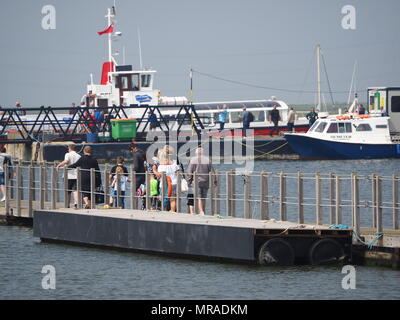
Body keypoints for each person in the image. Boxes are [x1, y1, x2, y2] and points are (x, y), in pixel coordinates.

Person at [186, 147, 217, 215]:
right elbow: (212, 171)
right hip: (206, 181)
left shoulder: (193, 160)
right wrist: (214, 181)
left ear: (196, 153)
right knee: (203, 197)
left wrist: (188, 182)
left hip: (196, 182)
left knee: (199, 197)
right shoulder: (207, 160)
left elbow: (189, 172)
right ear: (202, 153)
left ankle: (201, 211)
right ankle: (203, 210)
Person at [154, 146, 180, 212]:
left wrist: (154, 170)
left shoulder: (161, 166)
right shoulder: (174, 164)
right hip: (174, 183)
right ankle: (173, 210)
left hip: (164, 184)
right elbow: (178, 173)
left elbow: (158, 175)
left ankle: (163, 209)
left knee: (163, 197)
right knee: (173, 199)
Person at [56, 144, 81, 209]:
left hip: (68, 175)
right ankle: (76, 203)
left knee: (67, 191)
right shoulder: (79, 156)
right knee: (75, 190)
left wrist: (59, 165)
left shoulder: (67, 154)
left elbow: (66, 161)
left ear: (69, 148)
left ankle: (67, 204)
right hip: (76, 175)